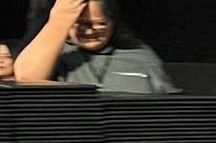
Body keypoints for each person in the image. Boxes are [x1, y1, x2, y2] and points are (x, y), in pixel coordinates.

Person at [15, 0, 177, 94]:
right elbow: (27, 78)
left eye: (99, 24)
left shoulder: (140, 55)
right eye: (81, 24)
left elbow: (168, 104)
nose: (89, 31)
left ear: (112, 22)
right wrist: (60, 19)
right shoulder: (56, 56)